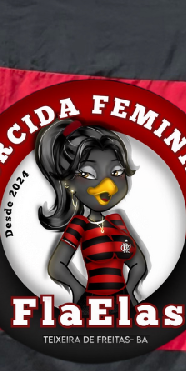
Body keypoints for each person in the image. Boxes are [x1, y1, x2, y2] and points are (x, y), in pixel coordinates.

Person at [34, 118, 146, 309]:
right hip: (92, 306)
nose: (108, 186)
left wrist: (130, 290)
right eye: (88, 174)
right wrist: (79, 291)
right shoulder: (79, 225)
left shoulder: (118, 222)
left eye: (117, 172)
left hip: (124, 306)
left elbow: (138, 263)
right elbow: (56, 266)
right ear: (68, 184)